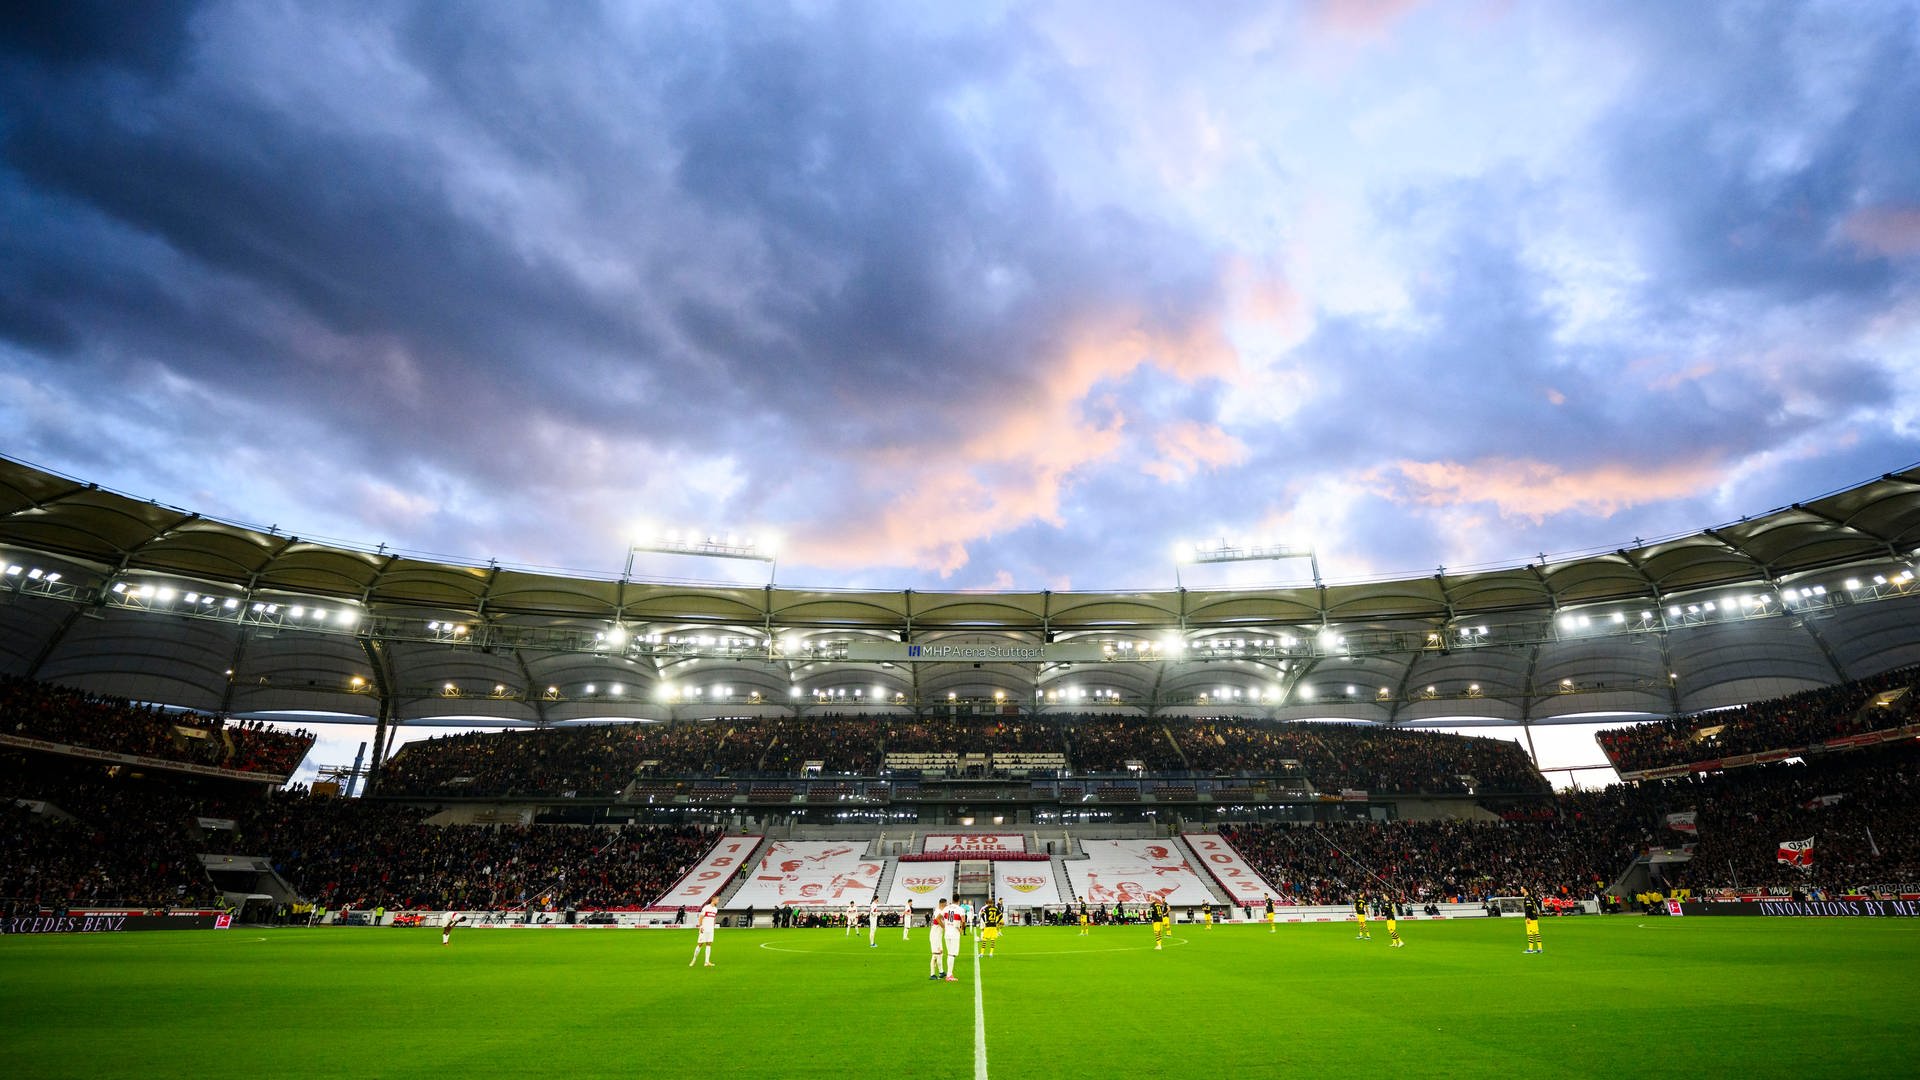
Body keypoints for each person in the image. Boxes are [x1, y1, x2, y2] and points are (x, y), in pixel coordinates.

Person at [940, 898, 965, 981]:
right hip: (954, 934)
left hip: (947, 933)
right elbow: (963, 921)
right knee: (952, 954)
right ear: (958, 901)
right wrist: (962, 929)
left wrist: (944, 927)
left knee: (950, 954)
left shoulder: (946, 908)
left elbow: (938, 918)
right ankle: (949, 975)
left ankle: (949, 974)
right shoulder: (960, 909)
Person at [929, 898, 952, 981]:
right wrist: (946, 928)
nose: (946, 906)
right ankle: (932, 974)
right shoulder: (938, 911)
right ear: (942, 904)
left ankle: (941, 972)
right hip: (935, 936)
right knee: (935, 954)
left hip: (938, 936)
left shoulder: (940, 911)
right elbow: (938, 921)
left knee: (940, 953)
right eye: (945, 905)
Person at [690, 899, 717, 967]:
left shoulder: (715, 909)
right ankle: (694, 959)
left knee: (709, 944)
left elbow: (714, 918)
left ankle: (706, 962)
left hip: (710, 929)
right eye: (717, 900)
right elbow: (701, 917)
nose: (718, 901)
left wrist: (713, 925)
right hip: (704, 928)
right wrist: (701, 926)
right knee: (700, 944)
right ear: (713, 900)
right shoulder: (706, 907)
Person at [1522, 888, 1544, 954]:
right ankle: (1539, 948)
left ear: (1525, 890)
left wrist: (1528, 917)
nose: (1520, 890)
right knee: (1536, 932)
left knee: (1530, 933)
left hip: (1531, 918)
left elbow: (1529, 908)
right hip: (1534, 917)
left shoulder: (1527, 898)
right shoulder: (1530, 898)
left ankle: (1530, 949)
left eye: (1521, 889)